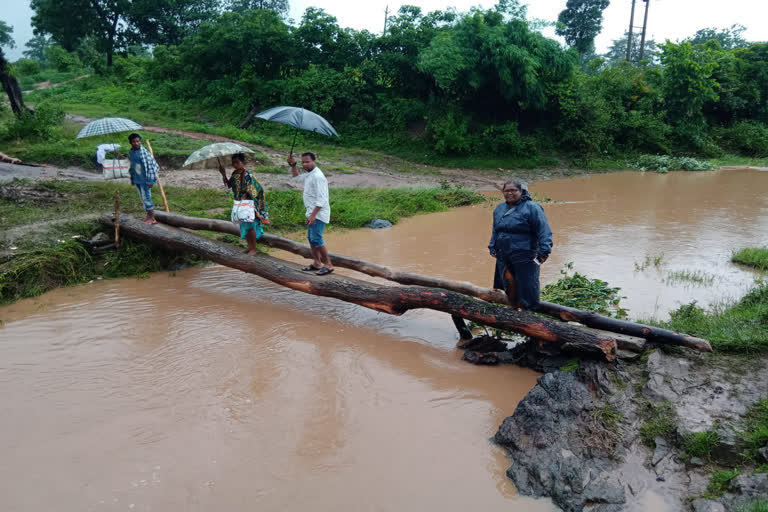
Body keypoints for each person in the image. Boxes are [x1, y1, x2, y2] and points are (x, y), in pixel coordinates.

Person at [489, 179, 553, 310]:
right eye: (507, 191)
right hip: (504, 253)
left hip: (526, 254)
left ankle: (528, 314)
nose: (510, 193)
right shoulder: (500, 208)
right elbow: (496, 229)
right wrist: (492, 245)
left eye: (513, 190)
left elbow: (544, 230)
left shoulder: (532, 208)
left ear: (522, 191)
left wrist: (544, 251)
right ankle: (512, 309)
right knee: (508, 282)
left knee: (528, 285)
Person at [287, 152, 334, 276]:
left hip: (318, 213)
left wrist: (313, 215)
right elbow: (296, 178)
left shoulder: (318, 176)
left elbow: (322, 199)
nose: (305, 164)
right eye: (303, 162)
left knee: (316, 238)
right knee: (311, 239)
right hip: (311, 213)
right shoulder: (310, 175)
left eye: (307, 161)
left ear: (314, 161)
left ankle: (328, 265)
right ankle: (317, 263)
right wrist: (293, 165)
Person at [219, 153, 270, 256]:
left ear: (242, 162)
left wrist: (246, 194)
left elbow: (256, 187)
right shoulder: (234, 174)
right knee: (244, 226)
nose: (235, 164)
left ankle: (253, 249)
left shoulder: (247, 174)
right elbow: (229, 185)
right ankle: (249, 247)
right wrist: (223, 174)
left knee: (250, 226)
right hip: (240, 203)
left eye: (237, 162)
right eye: (233, 163)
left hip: (248, 204)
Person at [124, 133, 159, 225]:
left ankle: (152, 218)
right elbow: (130, 161)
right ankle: (148, 216)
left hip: (145, 179)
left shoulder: (143, 152)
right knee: (142, 198)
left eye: (138, 141)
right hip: (137, 179)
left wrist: (151, 180)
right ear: (130, 142)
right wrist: (119, 155)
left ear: (140, 141)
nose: (136, 143)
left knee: (146, 197)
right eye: (134, 141)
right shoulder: (131, 152)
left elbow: (152, 166)